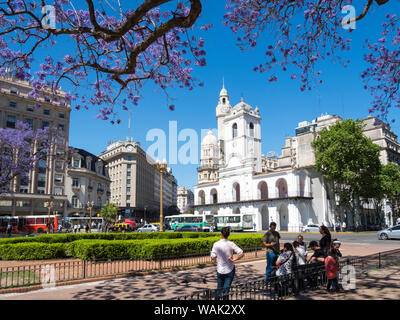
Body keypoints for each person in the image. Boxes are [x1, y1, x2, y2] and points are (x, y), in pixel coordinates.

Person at [210, 227, 244, 300]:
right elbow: (241, 253)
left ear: (221, 234)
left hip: (220, 269)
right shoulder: (231, 244)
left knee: (219, 288)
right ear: (228, 234)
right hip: (230, 269)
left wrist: (216, 256)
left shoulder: (216, 244)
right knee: (226, 290)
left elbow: (212, 257)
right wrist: (235, 259)